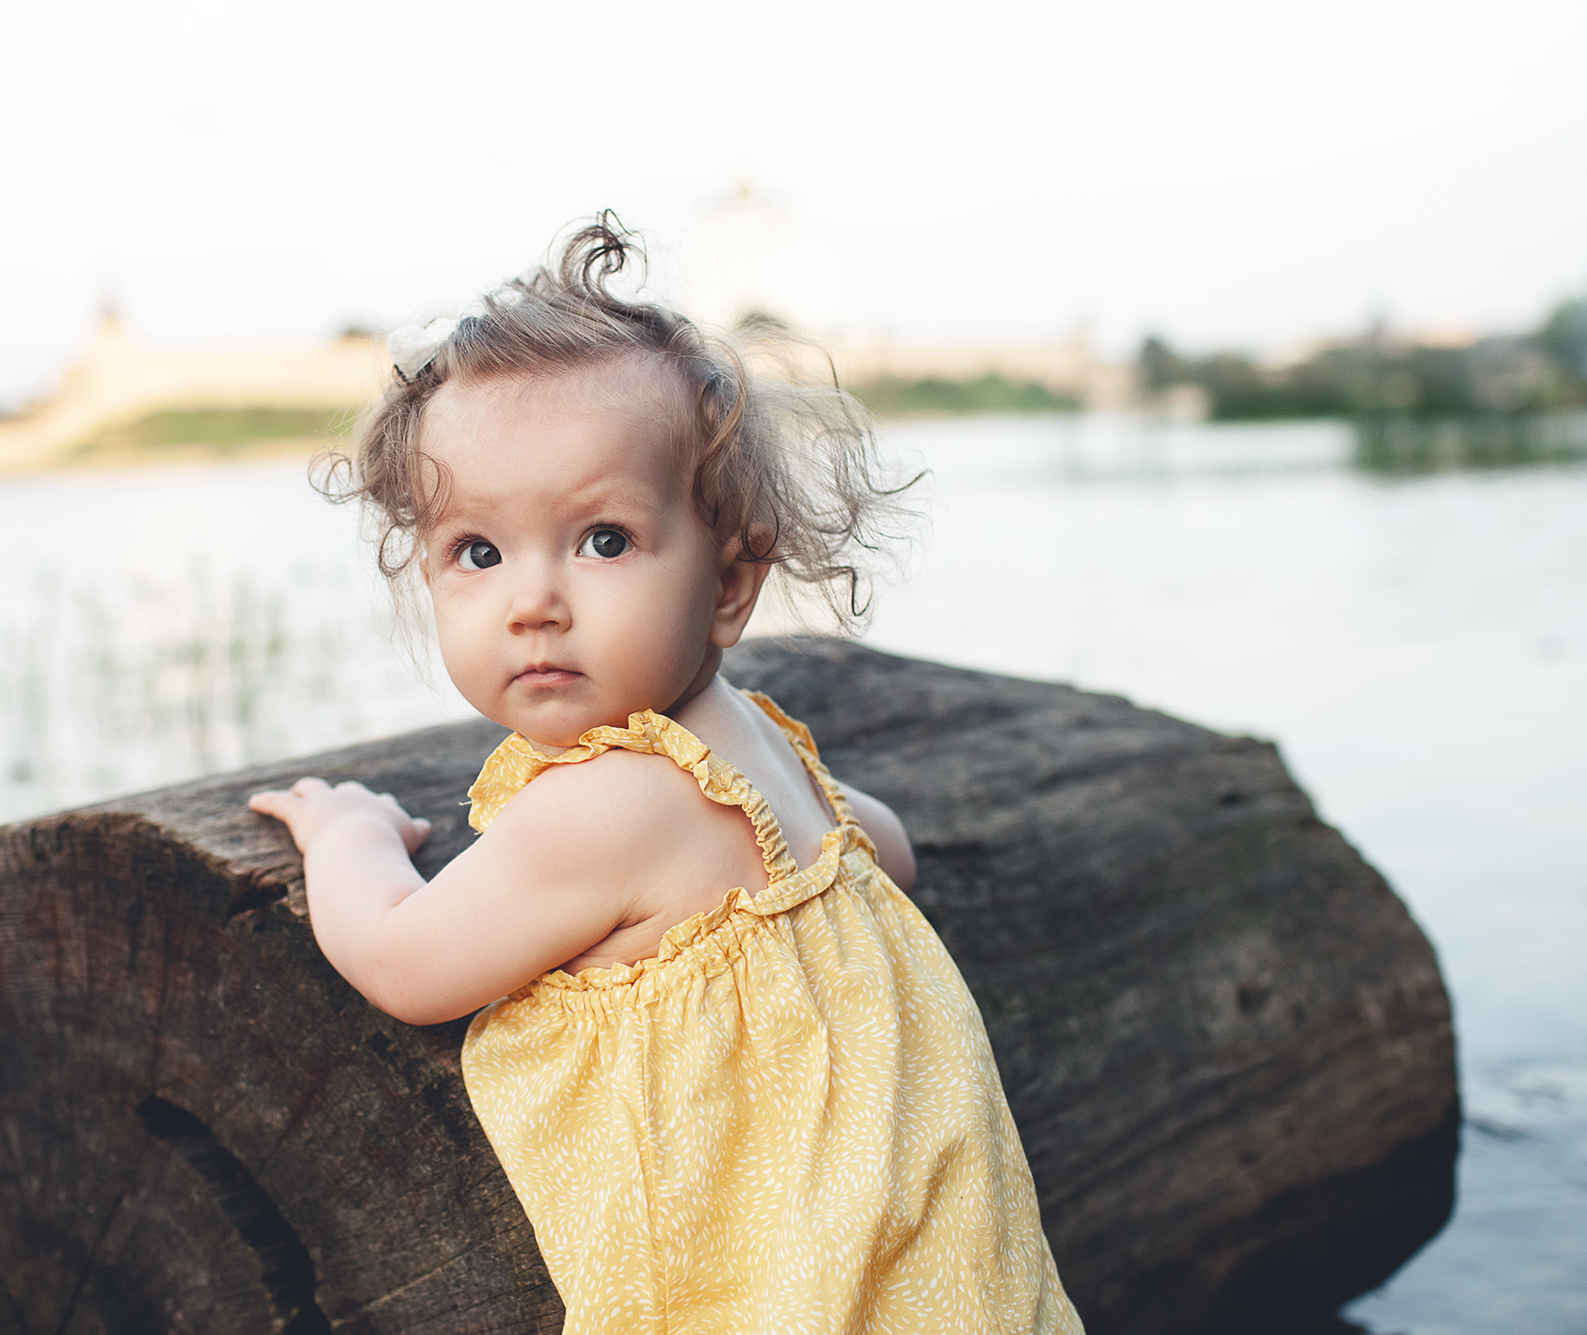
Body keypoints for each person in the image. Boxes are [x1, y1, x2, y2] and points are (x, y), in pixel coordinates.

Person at [248, 217, 1082, 1334]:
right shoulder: (760, 749)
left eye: (601, 540)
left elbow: (405, 962)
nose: (531, 601)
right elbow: (885, 851)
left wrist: (344, 838)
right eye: (477, 553)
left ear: (731, 581)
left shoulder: (613, 805)